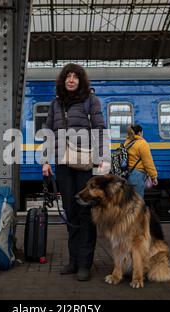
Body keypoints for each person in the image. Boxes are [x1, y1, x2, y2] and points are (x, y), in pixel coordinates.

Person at [42, 63, 107, 281]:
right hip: (62, 163)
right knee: (70, 212)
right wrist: (45, 160)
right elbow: (49, 133)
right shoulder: (55, 104)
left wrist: (102, 160)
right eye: (68, 76)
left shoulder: (90, 100)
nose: (71, 80)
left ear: (81, 80)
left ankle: (85, 264)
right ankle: (73, 260)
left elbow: (100, 128)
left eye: (75, 77)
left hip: (84, 164)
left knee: (85, 212)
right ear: (63, 80)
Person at [124, 124, 158, 199]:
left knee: (130, 200)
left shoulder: (127, 142)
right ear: (139, 133)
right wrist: (153, 176)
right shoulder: (142, 143)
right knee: (137, 201)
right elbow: (148, 162)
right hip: (137, 175)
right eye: (142, 132)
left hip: (128, 174)